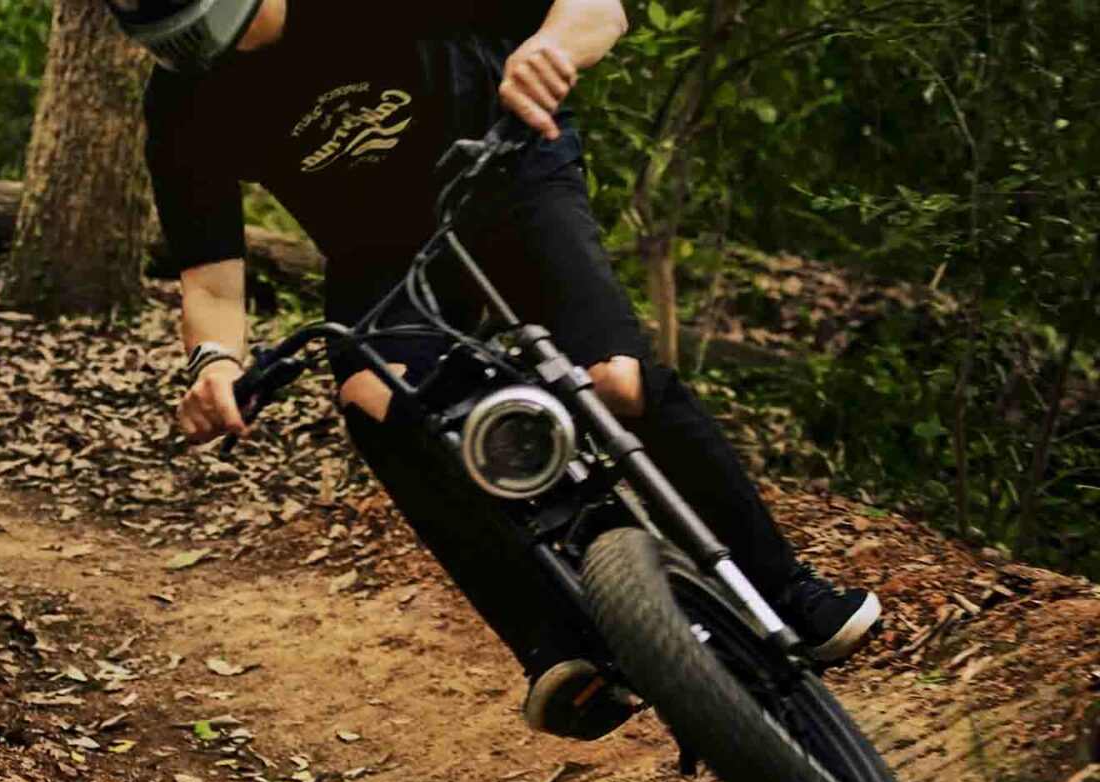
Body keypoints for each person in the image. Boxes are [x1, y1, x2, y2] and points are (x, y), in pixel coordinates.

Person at [108, 0, 882, 737]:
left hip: (507, 169)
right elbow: (211, 280)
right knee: (374, 398)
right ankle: (560, 646)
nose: (218, 51)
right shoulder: (184, 105)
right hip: (381, 259)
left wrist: (548, 50)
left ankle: (784, 588)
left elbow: (598, 10)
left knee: (614, 380)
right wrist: (215, 362)